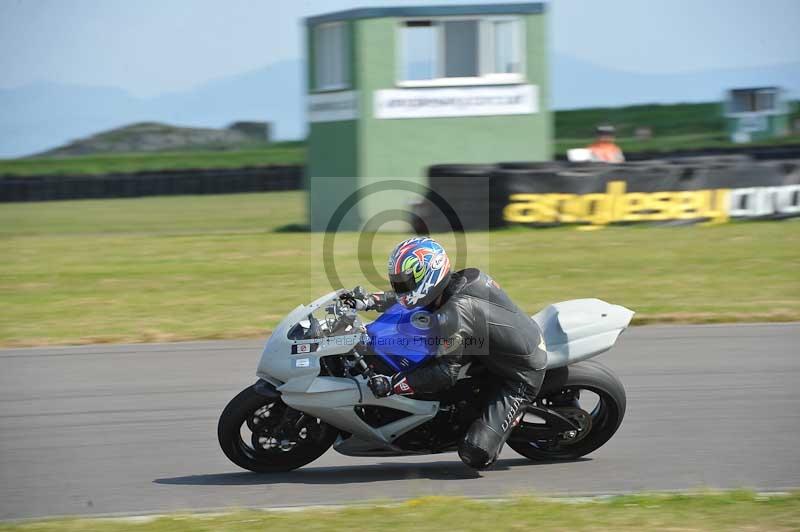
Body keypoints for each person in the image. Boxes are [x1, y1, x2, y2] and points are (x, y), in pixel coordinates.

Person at [339, 237, 547, 470]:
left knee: (475, 454)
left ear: (430, 276)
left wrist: (392, 385)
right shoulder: (455, 283)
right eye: (398, 283)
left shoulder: (455, 314)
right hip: (492, 348)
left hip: (519, 375)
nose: (400, 289)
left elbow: (445, 373)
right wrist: (368, 300)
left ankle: (513, 417)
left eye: (404, 283)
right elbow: (408, 299)